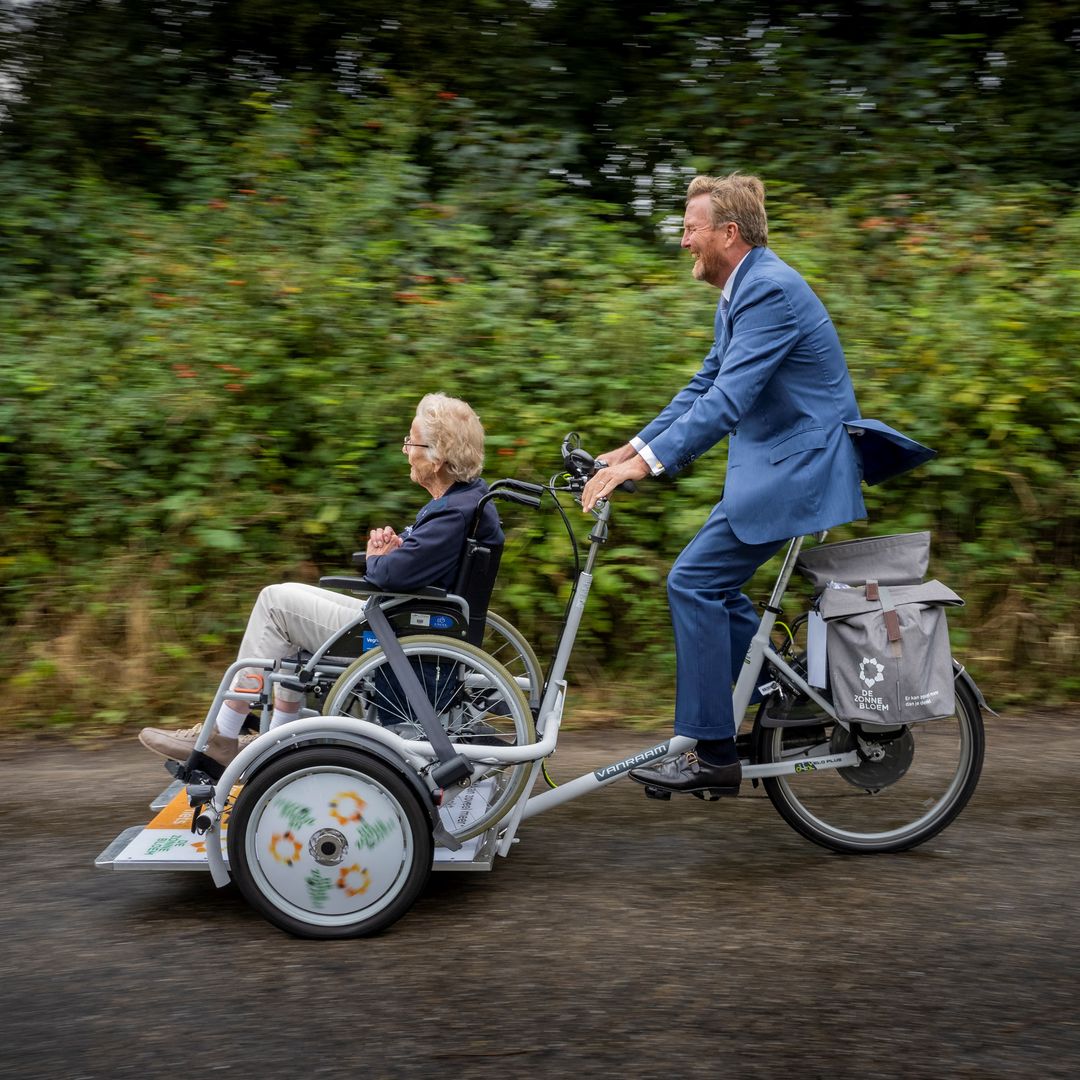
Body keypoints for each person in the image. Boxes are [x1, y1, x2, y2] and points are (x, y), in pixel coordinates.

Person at [581, 171, 925, 798]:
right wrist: (631, 447)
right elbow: (703, 386)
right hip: (779, 467)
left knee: (692, 582)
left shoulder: (767, 291)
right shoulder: (744, 290)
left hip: (799, 472)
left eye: (691, 229)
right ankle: (776, 691)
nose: (684, 241)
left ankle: (711, 752)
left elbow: (728, 402)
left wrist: (645, 467)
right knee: (711, 589)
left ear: (727, 233)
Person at [139, 392, 502, 768]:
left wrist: (380, 557)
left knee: (275, 604)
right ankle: (273, 739)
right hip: (406, 620)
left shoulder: (451, 515)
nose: (407, 449)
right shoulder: (468, 501)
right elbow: (419, 565)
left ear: (438, 456)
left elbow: (387, 575)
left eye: (412, 441)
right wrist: (401, 549)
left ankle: (225, 735)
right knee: (284, 608)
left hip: (397, 634)